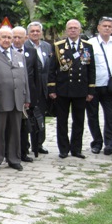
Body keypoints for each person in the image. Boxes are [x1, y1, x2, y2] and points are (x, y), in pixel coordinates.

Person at [48, 19, 95, 159]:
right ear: (66, 30)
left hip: (80, 89)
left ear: (80, 30)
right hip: (63, 89)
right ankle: (63, 149)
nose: (73, 30)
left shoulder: (86, 46)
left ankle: (76, 149)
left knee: (79, 120)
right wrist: (52, 89)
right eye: (70, 28)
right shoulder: (59, 46)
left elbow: (90, 69)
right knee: (62, 121)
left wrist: (91, 90)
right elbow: (52, 69)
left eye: (75, 28)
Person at [0, 26, 30, 171]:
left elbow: (25, 78)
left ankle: (14, 159)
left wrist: (26, 98)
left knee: (15, 131)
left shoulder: (19, 55)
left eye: (9, 37)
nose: (6, 40)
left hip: (17, 99)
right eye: (3, 37)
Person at [87, 16, 112, 155]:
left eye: (110, 26)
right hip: (94, 85)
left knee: (111, 115)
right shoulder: (90, 43)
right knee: (92, 115)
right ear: (99, 28)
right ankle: (97, 142)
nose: (107, 28)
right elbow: (85, 64)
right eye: (104, 26)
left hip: (109, 86)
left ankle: (109, 143)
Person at [12, 26, 40, 162]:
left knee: (25, 125)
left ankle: (24, 151)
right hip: (13, 94)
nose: (17, 40)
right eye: (15, 37)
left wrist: (35, 96)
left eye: (20, 37)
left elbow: (36, 75)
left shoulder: (31, 52)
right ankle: (12, 151)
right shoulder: (8, 51)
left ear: (26, 38)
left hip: (28, 95)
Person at [26, 21, 52, 153]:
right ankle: (25, 144)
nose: (35, 33)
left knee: (40, 115)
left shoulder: (47, 46)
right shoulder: (24, 46)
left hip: (43, 86)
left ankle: (39, 143)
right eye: (32, 31)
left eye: (37, 31)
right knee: (27, 116)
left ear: (41, 32)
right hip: (30, 86)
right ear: (28, 33)